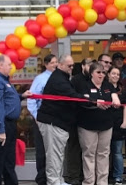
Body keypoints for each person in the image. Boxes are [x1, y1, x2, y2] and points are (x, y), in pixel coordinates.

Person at [0, 54, 32, 185]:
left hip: (7, 124)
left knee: (8, 161)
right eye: (9, 64)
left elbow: (6, 99)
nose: (11, 67)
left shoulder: (3, 80)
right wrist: (0, 129)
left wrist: (21, 96)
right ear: (0, 65)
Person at [37, 55, 85, 185]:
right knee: (54, 156)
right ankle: (53, 181)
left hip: (59, 122)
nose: (71, 68)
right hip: (53, 122)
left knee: (58, 154)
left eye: (73, 66)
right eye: (69, 66)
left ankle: (58, 179)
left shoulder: (62, 78)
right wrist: (91, 100)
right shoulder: (59, 80)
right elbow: (72, 96)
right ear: (60, 65)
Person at [77, 61, 121, 185]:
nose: (101, 75)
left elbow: (114, 97)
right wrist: (95, 102)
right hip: (87, 126)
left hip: (106, 125)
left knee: (104, 154)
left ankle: (102, 182)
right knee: (89, 154)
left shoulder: (108, 86)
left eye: (103, 72)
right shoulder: (84, 86)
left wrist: (115, 100)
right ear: (91, 74)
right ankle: (89, 182)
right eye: (98, 72)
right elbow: (81, 101)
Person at [27, 54, 58, 185]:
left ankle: (54, 177)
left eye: (56, 62)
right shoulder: (40, 79)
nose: (55, 65)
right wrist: (36, 117)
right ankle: (41, 178)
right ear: (46, 64)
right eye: (52, 63)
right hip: (42, 119)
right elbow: (32, 99)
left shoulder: (60, 78)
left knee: (54, 151)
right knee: (42, 151)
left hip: (56, 120)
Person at [65, 58, 94, 185]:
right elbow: (71, 98)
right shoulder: (75, 80)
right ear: (83, 66)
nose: (90, 67)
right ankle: (73, 177)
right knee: (74, 149)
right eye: (89, 65)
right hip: (76, 119)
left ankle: (86, 175)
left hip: (90, 120)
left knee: (88, 150)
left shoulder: (94, 79)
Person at [108, 66, 126, 185]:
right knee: (105, 153)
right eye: (113, 73)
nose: (115, 76)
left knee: (117, 152)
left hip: (119, 123)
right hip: (106, 124)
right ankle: (105, 175)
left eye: (117, 74)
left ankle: (118, 176)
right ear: (108, 74)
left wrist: (125, 122)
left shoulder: (123, 89)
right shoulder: (104, 87)